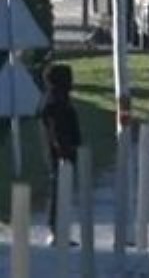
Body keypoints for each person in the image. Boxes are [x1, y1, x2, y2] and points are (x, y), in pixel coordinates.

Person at [41, 63, 80, 246]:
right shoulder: (54, 102)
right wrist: (65, 150)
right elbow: (56, 130)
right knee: (58, 191)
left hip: (65, 153)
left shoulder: (60, 99)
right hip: (61, 155)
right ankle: (55, 231)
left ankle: (61, 231)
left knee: (63, 192)